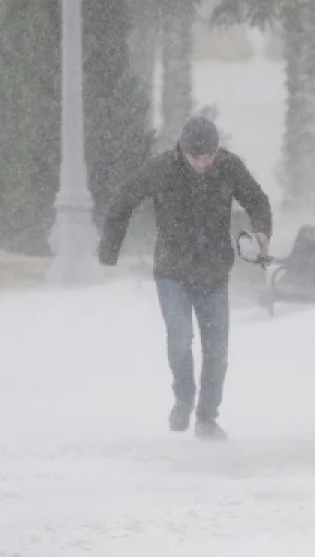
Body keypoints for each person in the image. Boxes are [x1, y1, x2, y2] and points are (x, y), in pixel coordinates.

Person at [98, 117, 272, 441]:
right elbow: (123, 200)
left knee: (216, 349)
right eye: (197, 157)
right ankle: (184, 397)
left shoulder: (228, 166)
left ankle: (207, 418)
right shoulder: (162, 169)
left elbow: (257, 199)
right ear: (183, 150)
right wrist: (109, 250)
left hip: (214, 271)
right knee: (179, 337)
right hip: (172, 271)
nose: (204, 164)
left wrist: (262, 230)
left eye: (210, 157)